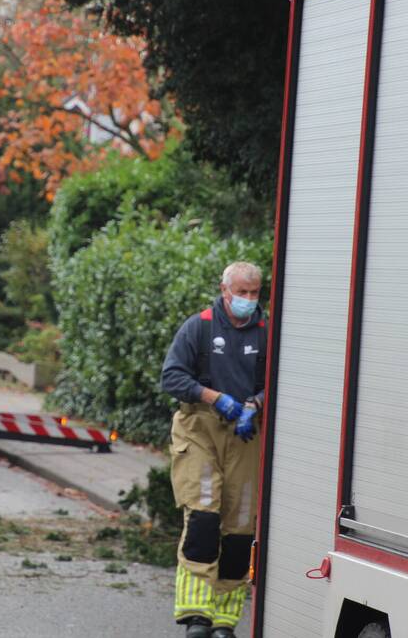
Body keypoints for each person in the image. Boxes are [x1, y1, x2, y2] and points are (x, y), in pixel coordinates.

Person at [160, 261, 267, 638]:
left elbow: (279, 380)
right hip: (200, 430)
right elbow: (171, 376)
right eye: (242, 293)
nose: (249, 300)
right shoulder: (200, 327)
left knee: (239, 528)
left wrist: (255, 403)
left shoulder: (267, 332)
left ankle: (223, 619)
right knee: (204, 520)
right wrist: (214, 398)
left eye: (255, 293)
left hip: (244, 435)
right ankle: (195, 615)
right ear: (225, 291)